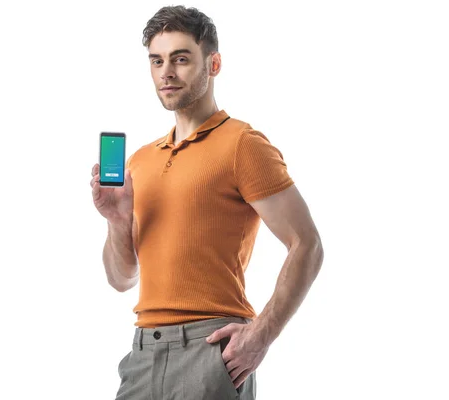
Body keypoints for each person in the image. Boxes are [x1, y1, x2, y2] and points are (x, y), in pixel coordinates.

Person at [90, 6, 323, 400]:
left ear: (213, 64)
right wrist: (116, 220)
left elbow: (308, 245)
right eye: (157, 61)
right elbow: (121, 279)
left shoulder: (242, 145)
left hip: (210, 348)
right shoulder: (140, 161)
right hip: (142, 354)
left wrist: (259, 336)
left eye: (181, 59)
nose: (167, 72)